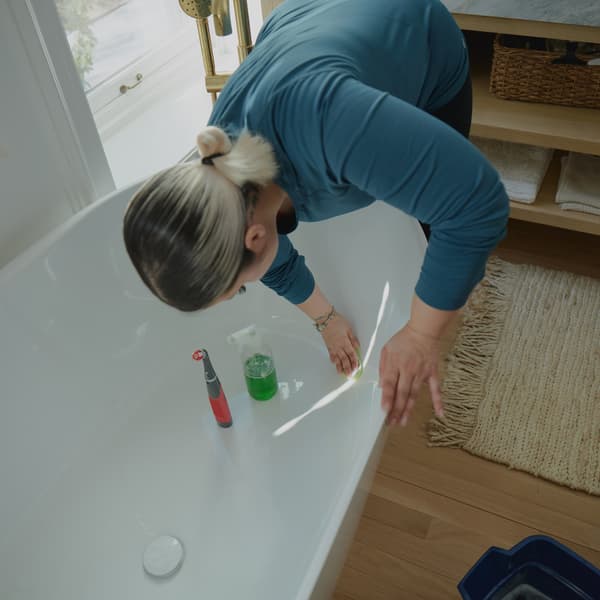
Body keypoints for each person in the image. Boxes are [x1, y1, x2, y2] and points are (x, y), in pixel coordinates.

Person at [123, 0, 509, 427]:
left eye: (240, 288)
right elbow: (259, 252)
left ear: (254, 239)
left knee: (438, 223)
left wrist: (421, 335)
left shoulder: (330, 127)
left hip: (412, 28)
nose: (249, 284)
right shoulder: (221, 172)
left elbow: (476, 205)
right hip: (314, 22)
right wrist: (325, 319)